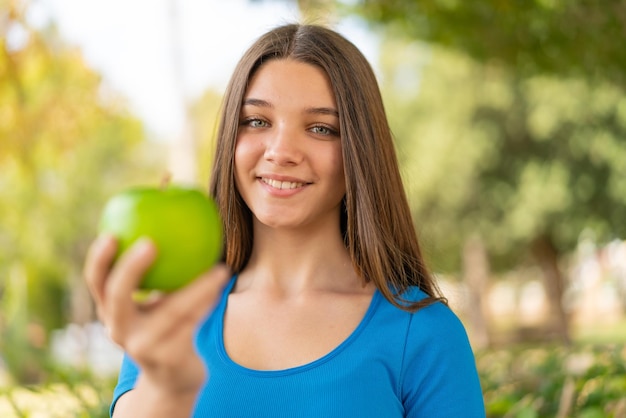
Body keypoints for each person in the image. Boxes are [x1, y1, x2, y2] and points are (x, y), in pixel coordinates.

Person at [84, 23, 486, 417]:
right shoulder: (171, 321)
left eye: (321, 128)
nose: (281, 151)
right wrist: (166, 385)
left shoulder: (425, 335)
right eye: (257, 121)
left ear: (360, 153)